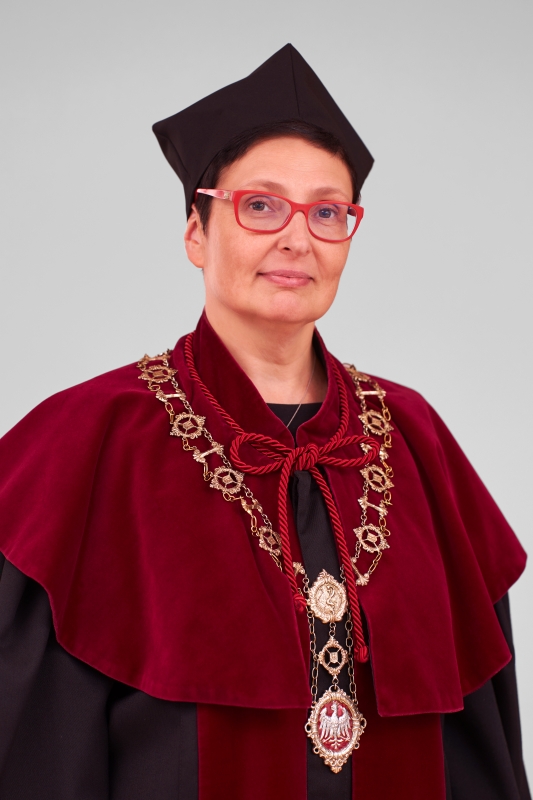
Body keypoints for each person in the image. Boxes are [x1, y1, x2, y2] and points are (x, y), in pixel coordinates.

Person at [0, 44, 529, 800]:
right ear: (196, 231)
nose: (296, 238)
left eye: (327, 212)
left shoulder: (415, 437)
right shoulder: (86, 440)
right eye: (260, 205)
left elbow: (481, 751)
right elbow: (40, 751)